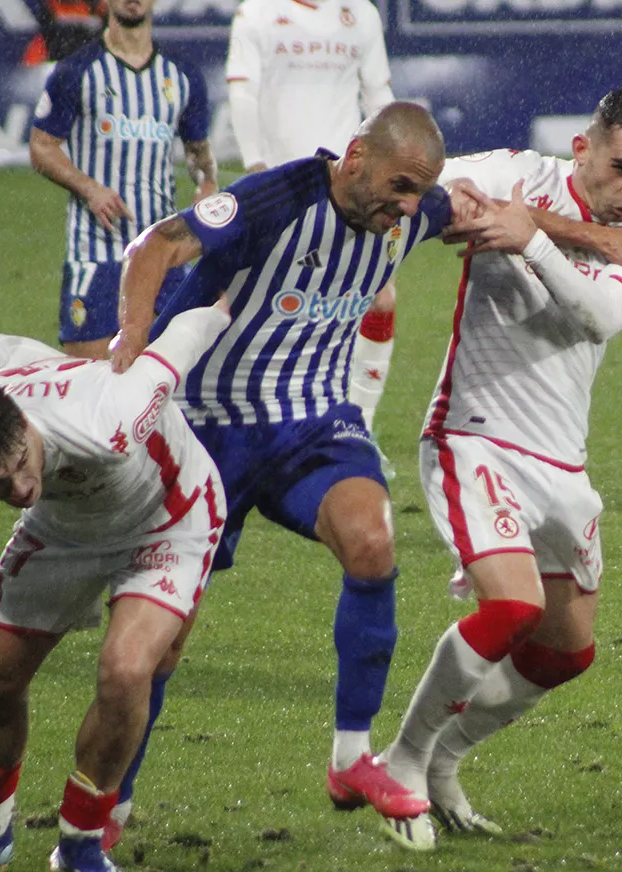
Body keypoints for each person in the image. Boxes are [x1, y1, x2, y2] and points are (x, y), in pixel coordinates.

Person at [110, 101, 455, 828]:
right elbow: (156, 245)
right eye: (399, 186)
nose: (408, 207)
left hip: (313, 422)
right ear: (355, 158)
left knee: (372, 542)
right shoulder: (278, 196)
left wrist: (591, 237)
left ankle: (352, 758)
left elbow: (491, 211)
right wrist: (130, 346)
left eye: (419, 192)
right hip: (204, 429)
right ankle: (109, 803)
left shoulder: (411, 212)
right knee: (161, 645)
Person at [377, 88, 622, 851]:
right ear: (583, 147)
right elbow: (426, 191)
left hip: (561, 462)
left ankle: (446, 758)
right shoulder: (517, 173)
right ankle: (402, 761)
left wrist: (531, 236)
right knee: (510, 608)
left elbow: (597, 316)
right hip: (473, 436)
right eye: (621, 167)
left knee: (565, 650)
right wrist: (535, 222)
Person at [0, 303, 231, 872]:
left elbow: (186, 334)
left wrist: (229, 293)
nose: (19, 489)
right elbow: (2, 343)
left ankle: (82, 843)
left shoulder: (110, 418)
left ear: (26, 427)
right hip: (65, 530)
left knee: (126, 671)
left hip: (167, 518)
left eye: (21, 465)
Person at [225, 0, 400, 470]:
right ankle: (252, 423)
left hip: (354, 186)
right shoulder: (259, 12)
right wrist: (256, 166)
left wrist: (390, 168)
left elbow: (379, 99)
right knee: (269, 304)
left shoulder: (360, 13)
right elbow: (244, 93)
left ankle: (357, 427)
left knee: (379, 299)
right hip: (284, 184)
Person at [29, 0, 216, 360]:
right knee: (92, 373)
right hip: (96, 253)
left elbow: (197, 152)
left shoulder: (182, 76)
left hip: (162, 251)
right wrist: (90, 189)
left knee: (172, 373)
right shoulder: (77, 71)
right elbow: (41, 146)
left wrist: (207, 184)